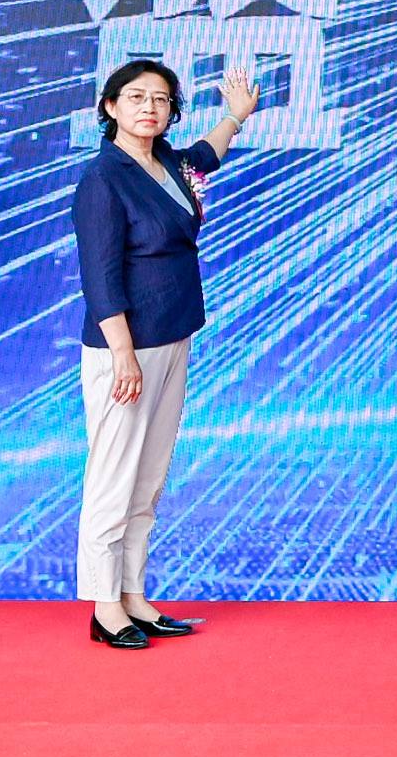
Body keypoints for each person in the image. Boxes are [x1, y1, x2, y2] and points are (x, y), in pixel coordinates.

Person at [73, 53, 258, 647]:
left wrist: (236, 116)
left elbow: (206, 154)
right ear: (110, 107)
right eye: (136, 97)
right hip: (126, 348)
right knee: (114, 476)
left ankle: (133, 595)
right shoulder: (103, 179)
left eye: (160, 99)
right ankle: (105, 606)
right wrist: (122, 353)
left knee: (148, 476)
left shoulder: (171, 165)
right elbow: (100, 275)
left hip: (174, 335)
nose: (149, 107)